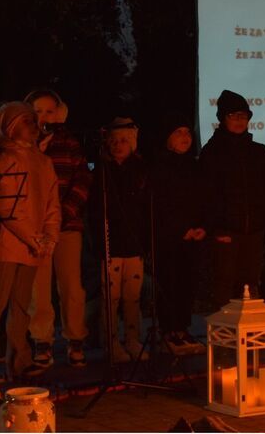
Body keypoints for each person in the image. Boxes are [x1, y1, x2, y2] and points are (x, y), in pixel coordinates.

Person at [0, 102, 60, 381]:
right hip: (8, 243)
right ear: (12, 127)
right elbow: (7, 209)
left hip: (33, 245)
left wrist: (49, 238)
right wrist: (34, 239)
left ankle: (19, 362)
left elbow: (52, 204)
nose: (34, 127)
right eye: (27, 122)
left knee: (21, 306)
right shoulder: (3, 159)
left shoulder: (43, 161)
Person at [23, 89, 91, 368]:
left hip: (67, 225)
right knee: (39, 288)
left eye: (49, 111)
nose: (43, 117)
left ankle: (75, 338)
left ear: (58, 113)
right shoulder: (23, 146)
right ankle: (42, 340)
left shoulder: (70, 143)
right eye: (37, 111)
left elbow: (82, 179)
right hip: (36, 228)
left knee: (71, 285)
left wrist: (66, 211)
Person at [199, 90, 265, 307]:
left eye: (243, 116)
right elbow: (207, 194)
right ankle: (224, 336)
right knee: (224, 283)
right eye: (233, 116)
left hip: (254, 230)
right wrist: (216, 227)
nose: (239, 121)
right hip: (226, 231)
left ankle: (250, 333)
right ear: (222, 118)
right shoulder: (212, 152)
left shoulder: (259, 152)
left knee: (251, 283)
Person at [88, 117, 150, 363]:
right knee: (110, 297)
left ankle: (133, 339)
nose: (118, 145)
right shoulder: (103, 173)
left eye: (124, 140)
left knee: (132, 296)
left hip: (134, 243)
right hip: (111, 243)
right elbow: (95, 210)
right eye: (114, 141)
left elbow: (145, 208)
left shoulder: (140, 171)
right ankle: (111, 341)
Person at [149, 113, 207, 354]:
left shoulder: (194, 166)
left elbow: (203, 200)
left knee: (187, 284)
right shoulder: (159, 167)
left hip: (192, 238)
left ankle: (182, 328)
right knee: (170, 283)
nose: (185, 137)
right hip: (169, 238)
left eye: (187, 132)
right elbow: (161, 205)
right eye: (178, 133)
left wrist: (202, 226)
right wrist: (180, 230)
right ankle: (168, 331)